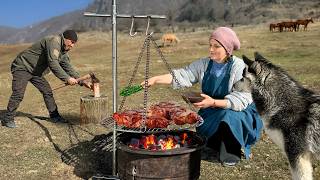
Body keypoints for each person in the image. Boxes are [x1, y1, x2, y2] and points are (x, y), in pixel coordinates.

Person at [141, 27, 263, 166]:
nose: (211, 49)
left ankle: (231, 153)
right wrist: (155, 79)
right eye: (210, 45)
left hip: (239, 111)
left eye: (216, 46)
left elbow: (242, 98)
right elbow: (183, 75)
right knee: (209, 123)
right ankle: (215, 143)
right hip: (212, 109)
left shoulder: (239, 67)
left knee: (229, 116)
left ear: (227, 48)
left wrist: (213, 102)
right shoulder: (205, 64)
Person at [2, 30, 91, 128]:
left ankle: (55, 116)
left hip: (36, 72)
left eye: (74, 43)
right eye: (72, 42)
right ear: (65, 39)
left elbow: (68, 68)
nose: (73, 46)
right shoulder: (54, 42)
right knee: (18, 93)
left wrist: (82, 82)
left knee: (47, 91)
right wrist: (67, 79)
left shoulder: (63, 51)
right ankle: (8, 119)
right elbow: (53, 64)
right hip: (22, 67)